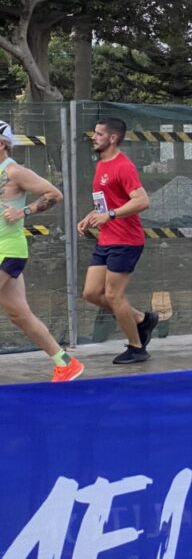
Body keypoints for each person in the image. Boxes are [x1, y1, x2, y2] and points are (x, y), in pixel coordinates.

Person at [0, 121, 83, 381]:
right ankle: (65, 362)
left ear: (2, 143)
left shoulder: (14, 171)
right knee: (19, 315)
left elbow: (54, 193)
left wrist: (23, 212)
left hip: (9, 250)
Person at [77, 117, 157, 365]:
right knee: (91, 293)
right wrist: (91, 217)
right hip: (107, 239)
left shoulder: (124, 166)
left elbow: (142, 201)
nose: (94, 137)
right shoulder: (102, 165)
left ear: (113, 138)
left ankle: (137, 347)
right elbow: (107, 203)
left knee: (113, 295)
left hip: (126, 240)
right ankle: (142, 319)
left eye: (99, 134)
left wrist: (109, 215)